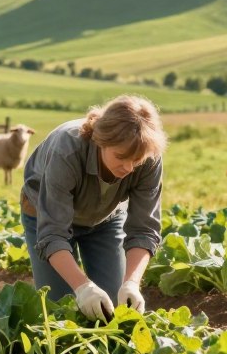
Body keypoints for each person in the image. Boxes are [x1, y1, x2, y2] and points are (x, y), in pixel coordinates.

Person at [20, 94, 166, 321]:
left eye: (136, 161)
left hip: (104, 218)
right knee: (62, 310)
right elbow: (52, 234)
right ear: (101, 141)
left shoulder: (148, 156)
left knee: (112, 307)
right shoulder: (66, 150)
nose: (129, 167)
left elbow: (144, 230)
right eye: (121, 157)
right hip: (45, 213)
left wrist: (132, 283)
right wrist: (83, 287)